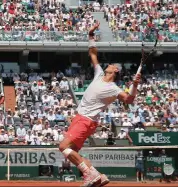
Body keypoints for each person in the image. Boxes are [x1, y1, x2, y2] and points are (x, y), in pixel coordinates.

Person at [58, 22, 141, 187]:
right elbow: (93, 53)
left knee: (63, 147)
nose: (109, 64)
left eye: (113, 66)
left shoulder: (113, 88)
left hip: (85, 119)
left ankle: (89, 174)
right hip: (85, 119)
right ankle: (99, 177)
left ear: (115, 72)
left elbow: (129, 100)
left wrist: (135, 85)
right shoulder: (99, 73)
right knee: (73, 152)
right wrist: (90, 36)